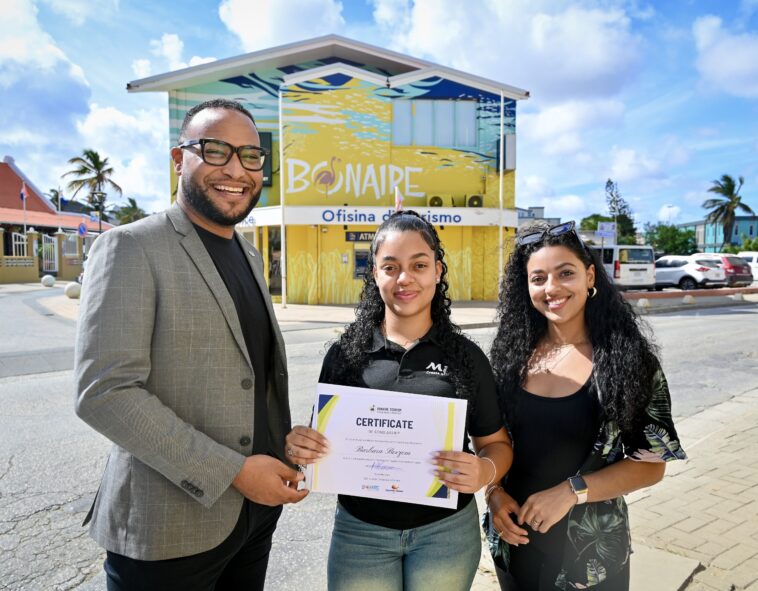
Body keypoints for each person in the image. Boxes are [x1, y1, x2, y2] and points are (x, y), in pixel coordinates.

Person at [74, 98, 307, 591]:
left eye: (251, 156)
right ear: (180, 160)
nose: (236, 170)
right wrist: (233, 472)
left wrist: (283, 442)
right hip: (168, 533)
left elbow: (251, 376)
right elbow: (104, 393)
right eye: (216, 150)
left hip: (254, 517)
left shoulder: (249, 254)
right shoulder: (131, 247)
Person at [286, 210, 513, 591]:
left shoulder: (466, 357)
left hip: (445, 534)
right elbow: (319, 446)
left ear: (437, 271)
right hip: (361, 534)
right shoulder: (345, 356)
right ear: (375, 274)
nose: (404, 278)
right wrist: (301, 447)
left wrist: (484, 472)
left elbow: (497, 444)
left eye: (418, 265)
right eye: (390, 267)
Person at [485, 221, 687, 590]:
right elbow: (490, 439)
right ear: (526, 287)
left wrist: (571, 491)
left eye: (565, 273)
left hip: (593, 556)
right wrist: (494, 494)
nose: (552, 288)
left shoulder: (629, 361)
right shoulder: (509, 358)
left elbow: (651, 464)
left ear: (589, 276)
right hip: (515, 545)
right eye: (538, 278)